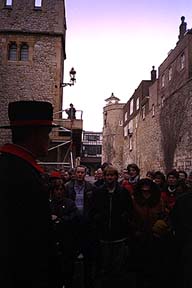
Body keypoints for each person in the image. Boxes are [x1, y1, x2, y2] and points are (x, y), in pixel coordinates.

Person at [0, 100, 60, 287]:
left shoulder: (11, 166)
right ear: (35, 134)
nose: (49, 140)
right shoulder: (23, 176)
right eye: (47, 133)